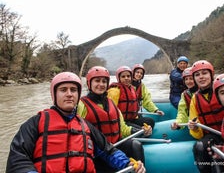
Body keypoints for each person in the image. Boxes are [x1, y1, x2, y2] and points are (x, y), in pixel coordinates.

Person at [6, 72, 145, 173]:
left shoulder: (86, 126)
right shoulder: (35, 123)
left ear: (78, 95)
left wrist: (128, 163)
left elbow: (108, 151)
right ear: (54, 94)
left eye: (73, 90)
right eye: (63, 90)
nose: (69, 94)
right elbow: (17, 159)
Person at [77, 66, 152, 171]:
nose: (101, 84)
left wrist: (141, 131)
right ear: (89, 83)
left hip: (115, 146)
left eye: (104, 81)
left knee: (135, 145)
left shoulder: (111, 103)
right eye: (97, 81)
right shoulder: (81, 105)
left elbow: (123, 129)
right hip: (97, 151)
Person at [187, 60, 224, 173]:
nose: (201, 77)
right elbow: (197, 134)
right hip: (212, 136)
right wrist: (194, 128)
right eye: (197, 75)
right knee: (199, 146)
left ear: (211, 75)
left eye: (204, 73)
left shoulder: (222, 90)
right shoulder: (195, 99)